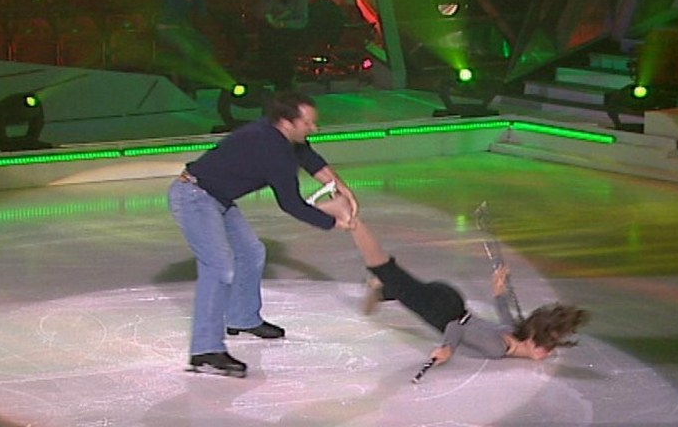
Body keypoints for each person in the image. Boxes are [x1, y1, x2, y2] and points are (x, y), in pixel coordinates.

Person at [168, 91, 359, 378]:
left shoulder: (280, 135)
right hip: (194, 196)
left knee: (252, 252)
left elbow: (308, 156)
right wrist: (332, 223)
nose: (313, 128)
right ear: (287, 122)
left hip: (217, 198)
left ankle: (242, 317)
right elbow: (291, 203)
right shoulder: (272, 149)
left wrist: (342, 188)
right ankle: (204, 351)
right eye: (308, 124)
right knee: (219, 268)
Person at [316, 195, 591, 365]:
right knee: (384, 267)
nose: (549, 353)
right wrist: (447, 349)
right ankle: (349, 216)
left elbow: (502, 307)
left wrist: (498, 287)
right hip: (443, 311)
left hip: (450, 298)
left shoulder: (511, 331)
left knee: (403, 287)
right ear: (533, 340)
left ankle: (381, 291)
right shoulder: (497, 348)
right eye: (548, 346)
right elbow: (455, 328)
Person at [156, 0, 211, 93]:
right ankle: (182, 83)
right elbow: (172, 13)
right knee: (185, 47)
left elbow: (202, 13)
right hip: (167, 29)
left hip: (185, 29)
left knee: (204, 44)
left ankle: (194, 80)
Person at [256, 0, 309, 91]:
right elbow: (259, 13)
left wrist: (284, 24)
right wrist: (272, 0)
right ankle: (273, 76)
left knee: (280, 45)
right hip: (271, 31)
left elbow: (302, 20)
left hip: (293, 31)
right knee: (269, 38)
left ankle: (284, 79)